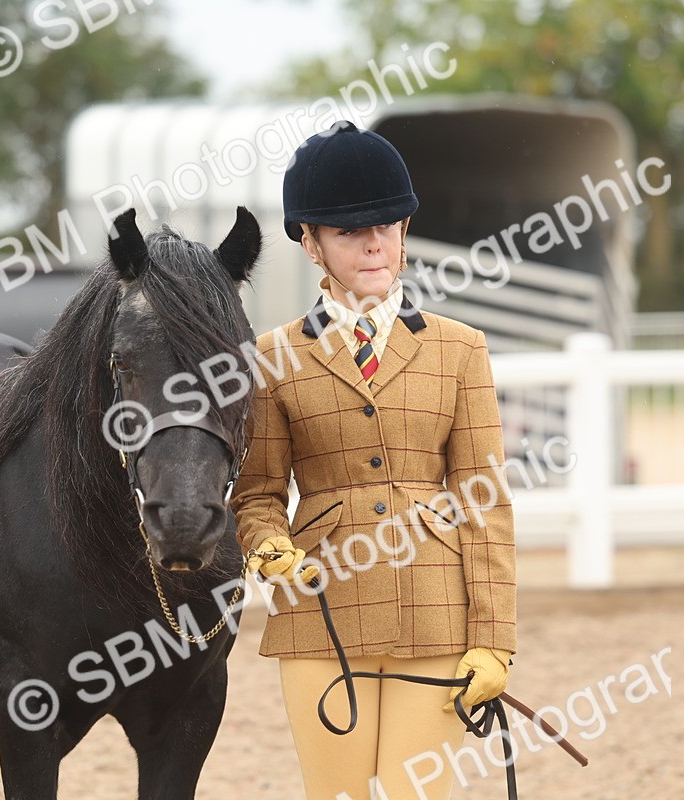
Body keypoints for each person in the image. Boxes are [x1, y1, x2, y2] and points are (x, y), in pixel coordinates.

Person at [231, 120, 517, 800]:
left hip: (437, 612)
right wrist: (265, 542)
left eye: (386, 225)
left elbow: (486, 501)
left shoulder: (460, 350)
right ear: (310, 243)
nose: (373, 243)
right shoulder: (271, 358)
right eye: (349, 232)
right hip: (320, 610)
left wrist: (495, 638)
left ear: (405, 229)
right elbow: (258, 493)